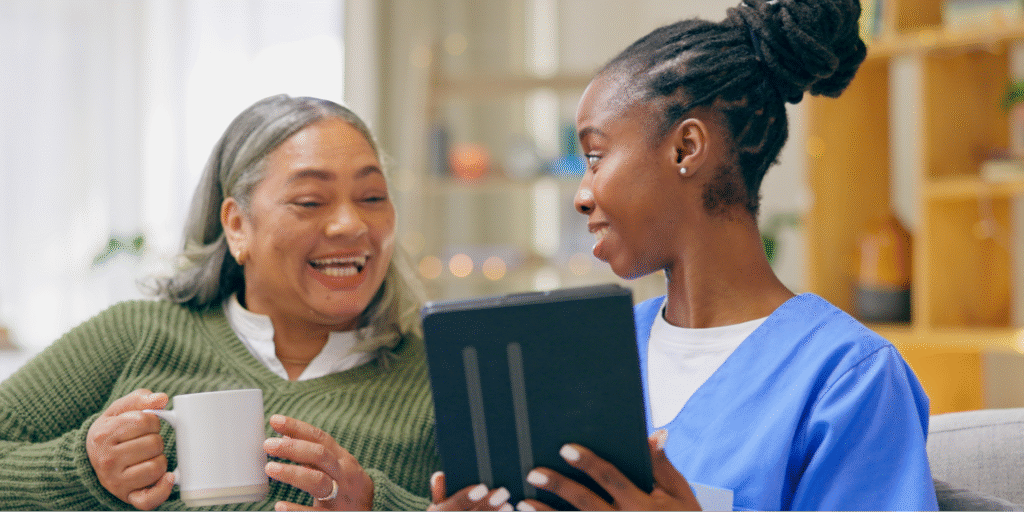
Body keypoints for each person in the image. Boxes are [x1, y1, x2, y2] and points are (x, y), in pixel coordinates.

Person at [432, 0, 938, 510]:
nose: (581, 195)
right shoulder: (596, 356)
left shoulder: (849, 377)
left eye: (595, 157)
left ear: (686, 148)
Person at [0, 94, 441, 511]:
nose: (350, 224)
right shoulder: (136, 333)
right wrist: (83, 471)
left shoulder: (439, 382)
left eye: (372, 198)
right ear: (236, 226)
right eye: (310, 201)